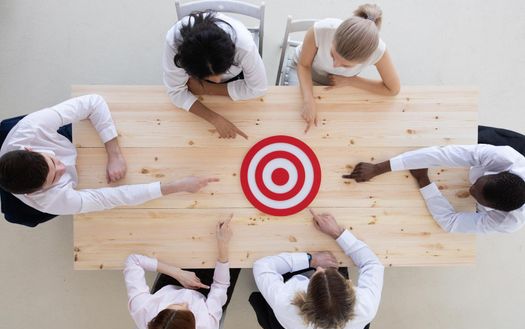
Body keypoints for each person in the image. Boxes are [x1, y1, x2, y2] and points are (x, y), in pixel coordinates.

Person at [0, 95, 218, 215]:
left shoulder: (31, 128)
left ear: (30, 149)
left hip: (27, 135)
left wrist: (113, 152)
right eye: (55, 178)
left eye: (53, 161)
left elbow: (93, 102)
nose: (63, 168)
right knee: (19, 215)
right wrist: (178, 186)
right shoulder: (51, 201)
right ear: (35, 193)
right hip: (30, 203)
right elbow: (114, 198)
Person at [251, 209, 384, 329]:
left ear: (305, 294)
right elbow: (372, 264)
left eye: (317, 273)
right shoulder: (367, 305)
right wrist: (337, 233)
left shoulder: (285, 301)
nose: (320, 268)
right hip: (339, 328)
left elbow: (262, 266)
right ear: (348, 287)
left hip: (290, 325)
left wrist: (311, 260)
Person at [346, 144, 525, 234]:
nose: (471, 189)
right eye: (478, 184)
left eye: (478, 197)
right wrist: (378, 169)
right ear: (497, 172)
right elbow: (441, 154)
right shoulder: (504, 157)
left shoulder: (508, 222)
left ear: (495, 210)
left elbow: (450, 223)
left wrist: (424, 180)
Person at [124, 214, 238, 329]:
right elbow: (220, 286)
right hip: (206, 295)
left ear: (156, 317)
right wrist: (223, 245)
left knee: (186, 231)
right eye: (187, 308)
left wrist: (178, 273)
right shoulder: (206, 328)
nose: (184, 301)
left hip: (173, 281)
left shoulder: (142, 309)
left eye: (173, 304)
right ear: (194, 328)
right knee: (236, 247)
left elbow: (133, 260)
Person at [289, 3, 400, 132]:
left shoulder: (378, 52)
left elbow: (393, 90)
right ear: (333, 38)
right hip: (305, 70)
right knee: (292, 119)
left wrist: (351, 81)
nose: (334, 65)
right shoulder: (320, 30)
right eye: (332, 54)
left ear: (366, 60)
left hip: (340, 82)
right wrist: (308, 99)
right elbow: (303, 65)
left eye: (345, 65)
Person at [163, 11, 267, 139]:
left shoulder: (244, 45)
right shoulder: (173, 42)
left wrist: (208, 88)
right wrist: (214, 118)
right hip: (196, 84)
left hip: (225, 81)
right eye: (208, 76)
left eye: (223, 70)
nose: (217, 80)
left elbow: (259, 88)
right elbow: (175, 91)